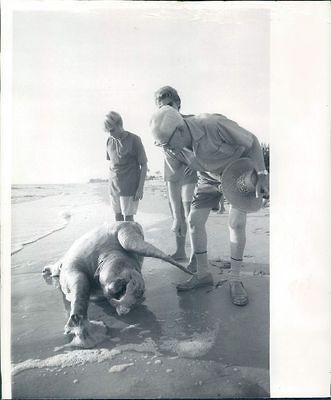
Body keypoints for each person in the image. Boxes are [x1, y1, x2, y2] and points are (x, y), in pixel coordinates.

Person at [150, 105, 269, 306]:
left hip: (238, 173)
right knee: (193, 221)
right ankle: (203, 273)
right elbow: (173, 180)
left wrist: (263, 174)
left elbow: (252, 142)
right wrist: (178, 217)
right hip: (208, 179)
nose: (167, 150)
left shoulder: (212, 124)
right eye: (162, 146)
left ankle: (235, 279)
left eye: (167, 145)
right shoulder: (170, 146)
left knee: (236, 224)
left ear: (179, 130)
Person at [154, 86, 198, 261]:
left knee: (190, 214)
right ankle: (180, 250)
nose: (167, 109)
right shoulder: (160, 130)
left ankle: (196, 253)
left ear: (178, 103)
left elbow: (201, 147)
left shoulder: (192, 121)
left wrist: (196, 163)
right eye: (162, 107)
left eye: (170, 104)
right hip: (172, 174)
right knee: (176, 214)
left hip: (191, 171)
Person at [104, 111, 147, 221]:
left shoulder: (134, 139)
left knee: (128, 220)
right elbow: (112, 163)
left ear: (120, 125)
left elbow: (144, 164)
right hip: (113, 187)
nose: (110, 134)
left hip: (129, 187)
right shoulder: (109, 141)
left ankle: (130, 239)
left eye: (112, 130)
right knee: (117, 218)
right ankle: (117, 239)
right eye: (108, 131)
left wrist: (140, 188)